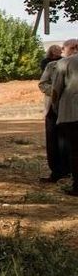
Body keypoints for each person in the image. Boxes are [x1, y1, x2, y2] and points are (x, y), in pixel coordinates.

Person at [39, 39, 76, 182]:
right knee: (53, 141)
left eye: (76, 47)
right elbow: (43, 83)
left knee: (70, 143)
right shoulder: (53, 65)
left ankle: (71, 172)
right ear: (64, 49)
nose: (74, 50)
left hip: (72, 110)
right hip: (54, 108)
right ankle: (56, 172)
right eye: (71, 47)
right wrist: (57, 94)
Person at [52, 43, 78, 196]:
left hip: (71, 113)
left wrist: (56, 107)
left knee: (75, 151)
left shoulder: (64, 63)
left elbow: (56, 89)